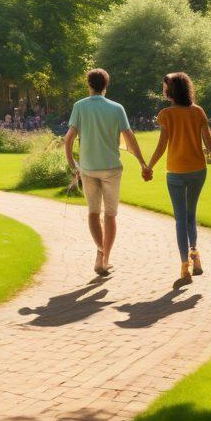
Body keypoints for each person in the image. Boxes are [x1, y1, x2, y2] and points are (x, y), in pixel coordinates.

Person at [144, 72, 211, 289]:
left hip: (176, 173)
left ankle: (184, 267)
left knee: (180, 220)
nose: (162, 89)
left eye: (164, 86)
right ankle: (195, 254)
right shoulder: (198, 112)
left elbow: (161, 146)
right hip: (198, 171)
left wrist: (149, 167)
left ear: (171, 91)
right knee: (190, 215)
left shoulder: (166, 114)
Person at [64, 68, 149, 278]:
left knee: (93, 213)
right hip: (111, 169)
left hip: (88, 169)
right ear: (106, 85)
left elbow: (69, 139)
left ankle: (101, 252)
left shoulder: (79, 106)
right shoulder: (117, 108)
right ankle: (105, 259)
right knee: (110, 215)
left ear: (89, 85)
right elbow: (129, 137)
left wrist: (73, 166)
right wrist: (142, 163)